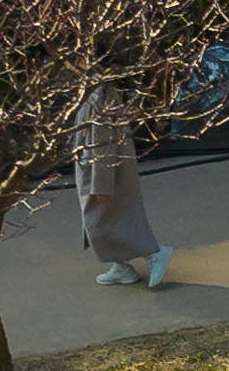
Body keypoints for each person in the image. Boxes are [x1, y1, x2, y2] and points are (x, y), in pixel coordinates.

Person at [71, 86, 172, 289]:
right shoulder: (93, 88)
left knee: (104, 220)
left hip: (104, 169)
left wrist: (102, 184)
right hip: (94, 167)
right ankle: (121, 267)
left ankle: (154, 253)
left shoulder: (101, 94)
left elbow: (103, 141)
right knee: (102, 221)